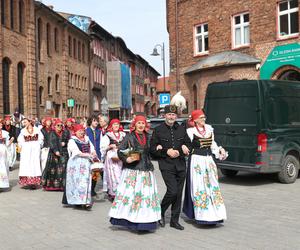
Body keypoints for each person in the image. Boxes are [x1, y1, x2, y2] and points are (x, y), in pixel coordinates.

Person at [109, 115, 161, 231]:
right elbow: (120, 151)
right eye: (139, 123)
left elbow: (151, 152)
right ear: (134, 125)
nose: (141, 125)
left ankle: (146, 222)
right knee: (132, 195)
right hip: (132, 170)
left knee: (145, 196)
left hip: (146, 169)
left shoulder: (149, 136)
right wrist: (126, 159)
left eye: (143, 123)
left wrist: (157, 148)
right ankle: (130, 221)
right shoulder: (129, 136)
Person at [183, 109, 227, 225]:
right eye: (201, 117)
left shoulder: (209, 129)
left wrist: (219, 150)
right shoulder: (190, 131)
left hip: (208, 161)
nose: (203, 119)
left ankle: (215, 213)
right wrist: (183, 146)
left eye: (204, 117)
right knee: (199, 186)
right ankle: (201, 215)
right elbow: (184, 143)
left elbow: (213, 144)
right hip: (197, 161)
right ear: (195, 119)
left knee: (212, 186)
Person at [150, 105, 191, 230]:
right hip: (166, 165)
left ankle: (174, 220)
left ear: (176, 116)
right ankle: (160, 211)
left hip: (180, 165)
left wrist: (185, 147)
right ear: (165, 116)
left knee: (178, 194)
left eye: (173, 115)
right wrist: (166, 151)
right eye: (169, 114)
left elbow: (189, 144)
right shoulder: (158, 130)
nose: (171, 117)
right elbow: (152, 150)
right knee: (172, 191)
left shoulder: (182, 129)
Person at [63, 124, 96, 210]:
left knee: (86, 182)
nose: (82, 132)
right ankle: (77, 201)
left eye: (82, 130)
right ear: (75, 132)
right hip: (76, 164)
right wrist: (88, 155)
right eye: (79, 131)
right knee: (77, 183)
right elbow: (76, 152)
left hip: (86, 164)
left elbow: (92, 148)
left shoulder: (87, 139)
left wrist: (93, 153)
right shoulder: (72, 141)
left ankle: (86, 201)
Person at [100, 119, 126, 201]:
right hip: (111, 158)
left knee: (122, 174)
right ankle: (114, 193)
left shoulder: (123, 134)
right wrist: (110, 146)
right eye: (114, 124)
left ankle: (122, 192)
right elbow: (103, 148)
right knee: (114, 176)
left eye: (117, 124)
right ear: (111, 126)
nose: (116, 126)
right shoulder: (108, 135)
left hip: (121, 156)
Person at [17, 118, 44, 189]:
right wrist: (22, 147)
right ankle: (27, 181)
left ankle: (34, 182)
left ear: (29, 122)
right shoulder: (23, 131)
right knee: (27, 164)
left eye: (25, 122)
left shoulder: (37, 130)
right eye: (23, 123)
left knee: (35, 164)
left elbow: (41, 138)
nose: (24, 124)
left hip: (35, 150)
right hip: (26, 150)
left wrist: (38, 145)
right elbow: (20, 140)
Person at [42, 119, 66, 191]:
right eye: (58, 125)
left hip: (62, 153)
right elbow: (51, 143)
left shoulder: (64, 133)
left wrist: (65, 142)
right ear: (55, 126)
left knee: (62, 169)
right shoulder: (52, 133)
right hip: (53, 154)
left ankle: (61, 185)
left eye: (61, 125)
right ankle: (51, 186)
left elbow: (67, 140)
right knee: (52, 170)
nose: (60, 127)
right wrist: (55, 150)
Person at [86, 115, 102, 197]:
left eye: (96, 121)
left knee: (96, 172)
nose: (96, 122)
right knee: (89, 172)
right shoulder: (86, 130)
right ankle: (87, 189)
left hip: (98, 153)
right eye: (94, 121)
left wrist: (101, 154)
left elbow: (101, 142)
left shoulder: (99, 131)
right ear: (90, 122)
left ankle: (92, 189)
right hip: (89, 153)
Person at [0, 119, 10, 190]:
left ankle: (2, 184)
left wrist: (10, 141)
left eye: (1, 124)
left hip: (3, 149)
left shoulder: (5, 133)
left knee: (3, 165)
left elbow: (7, 143)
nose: (0, 125)